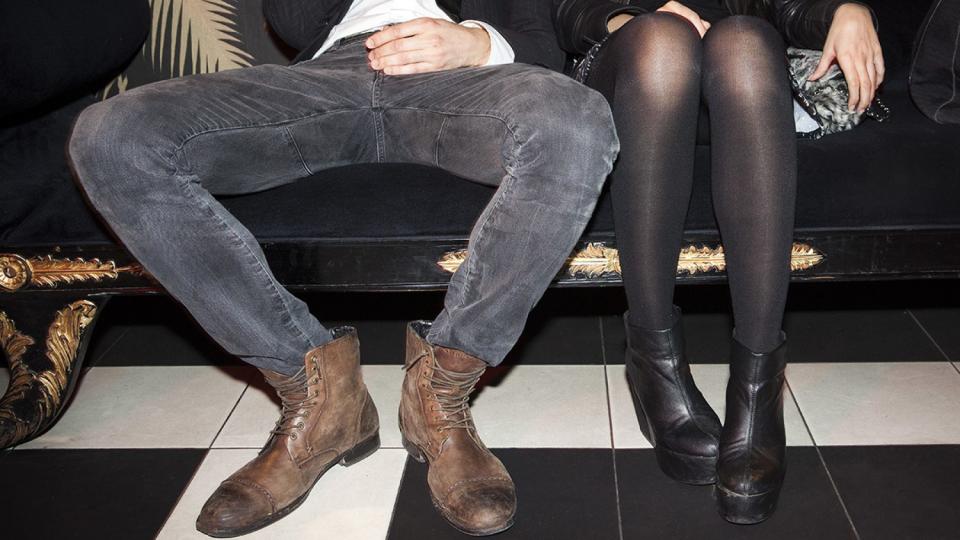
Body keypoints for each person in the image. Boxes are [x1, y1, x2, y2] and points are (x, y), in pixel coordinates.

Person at [68, 1, 619, 536]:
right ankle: (322, 402)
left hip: (465, 80)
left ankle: (439, 398)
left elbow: (545, 40)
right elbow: (290, 18)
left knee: (574, 119)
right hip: (329, 77)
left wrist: (475, 41)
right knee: (113, 135)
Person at [554, 0, 882, 524]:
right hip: (634, 76)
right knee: (662, 38)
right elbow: (571, 13)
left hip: (738, 86)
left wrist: (845, 10)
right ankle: (652, 360)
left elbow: (784, 8)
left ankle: (758, 390)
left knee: (746, 39)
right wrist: (632, 17)